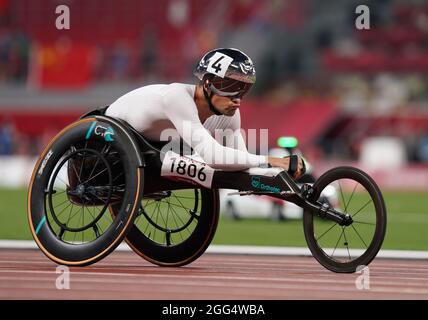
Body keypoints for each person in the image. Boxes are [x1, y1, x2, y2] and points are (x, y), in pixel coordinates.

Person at [106, 48, 305, 178]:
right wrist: (269, 159)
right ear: (208, 84)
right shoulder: (176, 97)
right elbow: (214, 157)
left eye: (243, 89)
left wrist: (279, 172)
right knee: (202, 161)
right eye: (231, 87)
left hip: (148, 144)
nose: (237, 98)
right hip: (108, 133)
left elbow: (241, 165)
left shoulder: (229, 113)